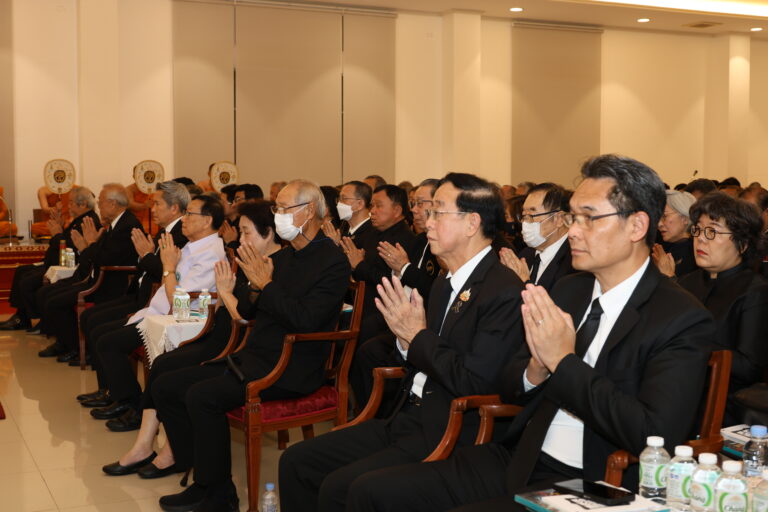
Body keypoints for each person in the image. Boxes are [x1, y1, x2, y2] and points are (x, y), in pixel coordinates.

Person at [329, 155, 713, 512]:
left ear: (637, 226)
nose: (573, 231)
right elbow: (509, 385)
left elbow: (653, 434)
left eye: (588, 218)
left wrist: (562, 361)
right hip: (522, 453)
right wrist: (534, 370)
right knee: (371, 491)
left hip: (594, 478)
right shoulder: (570, 290)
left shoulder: (679, 317)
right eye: (572, 217)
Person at [278, 172, 526, 512]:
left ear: (472, 223)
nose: (427, 220)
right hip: (407, 415)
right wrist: (404, 341)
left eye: (438, 212)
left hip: (448, 428)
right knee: (296, 461)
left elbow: (475, 381)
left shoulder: (503, 291)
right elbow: (419, 355)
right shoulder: (445, 283)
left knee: (343, 487)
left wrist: (416, 336)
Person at [152, 179, 351, 512]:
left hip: (292, 365)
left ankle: (219, 495)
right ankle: (203, 477)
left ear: (308, 212)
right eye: (276, 208)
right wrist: (244, 286)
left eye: (284, 208)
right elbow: (246, 311)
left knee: (202, 396)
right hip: (255, 357)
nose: (278, 215)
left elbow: (306, 320)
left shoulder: (332, 261)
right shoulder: (285, 257)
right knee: (166, 385)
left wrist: (265, 285)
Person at [101, 200, 281, 478]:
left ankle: (169, 452)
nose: (239, 239)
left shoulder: (260, 264)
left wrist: (170, 268)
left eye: (246, 232)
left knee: (167, 369)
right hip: (215, 328)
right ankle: (146, 446)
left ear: (268, 233)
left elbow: (240, 315)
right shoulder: (244, 259)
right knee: (161, 364)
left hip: (233, 341)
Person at [88, 194, 226, 428]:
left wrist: (168, 267)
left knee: (109, 342)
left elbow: (179, 302)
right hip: (159, 312)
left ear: (207, 220)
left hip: (182, 320)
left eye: (189, 214)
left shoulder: (210, 253)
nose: (184, 218)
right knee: (103, 334)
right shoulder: (194, 246)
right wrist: (166, 269)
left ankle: (132, 405)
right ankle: (122, 398)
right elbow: (169, 285)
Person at [76, 181, 188, 395]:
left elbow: (171, 273)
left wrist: (146, 256)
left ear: (174, 208)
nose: (152, 209)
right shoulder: (165, 232)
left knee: (101, 332)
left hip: (152, 303)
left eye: (157, 204)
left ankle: (122, 396)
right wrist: (146, 256)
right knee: (91, 319)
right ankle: (108, 390)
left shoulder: (180, 235)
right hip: (140, 295)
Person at [349, 178, 442, 409]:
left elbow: (431, 288)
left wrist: (403, 268)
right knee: (364, 340)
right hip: (402, 312)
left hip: (424, 321)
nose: (414, 210)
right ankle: (370, 412)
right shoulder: (419, 241)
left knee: (368, 342)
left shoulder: (424, 241)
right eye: (413, 203)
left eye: (420, 203)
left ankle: (381, 411)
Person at [678, 192, 768, 425]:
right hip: (677, 390)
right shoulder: (685, 283)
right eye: (698, 230)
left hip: (720, 407)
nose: (700, 239)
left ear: (743, 244)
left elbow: (749, 368)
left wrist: (690, 341)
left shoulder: (754, 291)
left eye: (712, 231)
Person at [37, 184, 143, 360]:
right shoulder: (116, 224)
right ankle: (66, 343)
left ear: (113, 204)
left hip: (111, 285)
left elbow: (106, 259)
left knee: (55, 302)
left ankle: (76, 347)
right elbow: (97, 256)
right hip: (96, 278)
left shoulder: (127, 225)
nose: (98, 206)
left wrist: (89, 245)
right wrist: (88, 247)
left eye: (100, 202)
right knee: (51, 294)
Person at [0, 186, 99, 331]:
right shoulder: (79, 219)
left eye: (71, 202)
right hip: (56, 262)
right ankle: (21, 317)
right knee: (21, 270)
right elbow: (66, 240)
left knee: (28, 281)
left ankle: (36, 319)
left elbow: (69, 247)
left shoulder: (88, 221)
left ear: (83, 204)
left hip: (68, 267)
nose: (68, 206)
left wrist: (57, 234)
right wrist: (60, 227)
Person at [340, 184, 417, 344]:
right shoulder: (373, 233)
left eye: (379, 206)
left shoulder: (404, 240)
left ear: (397, 210)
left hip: (384, 313)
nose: (372, 211)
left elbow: (392, 282)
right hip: (362, 305)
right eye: (372, 205)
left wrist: (359, 265)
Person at [499, 183, 574, 291]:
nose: (525, 223)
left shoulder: (574, 261)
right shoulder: (526, 254)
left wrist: (524, 281)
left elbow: (556, 300)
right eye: (524, 216)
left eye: (531, 216)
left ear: (559, 219)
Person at [652, 190, 697, 278]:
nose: (659, 224)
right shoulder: (665, 247)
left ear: (684, 218)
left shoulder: (694, 254)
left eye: (664, 216)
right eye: (658, 217)